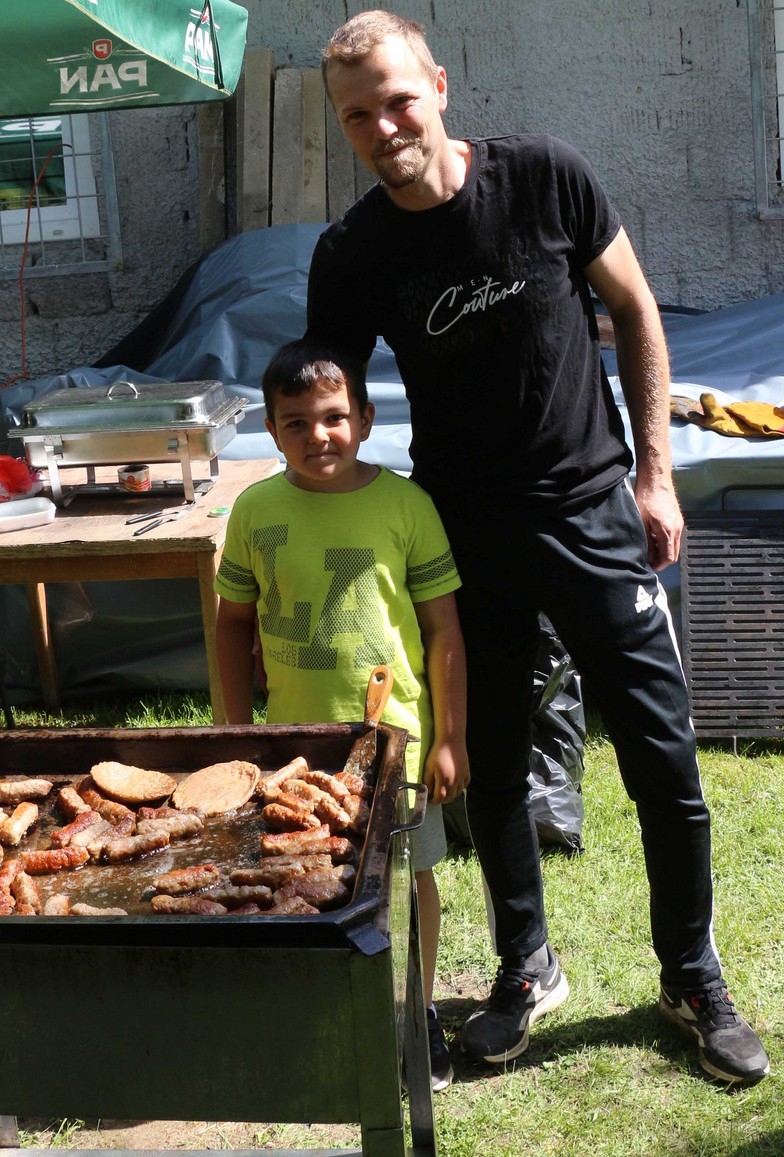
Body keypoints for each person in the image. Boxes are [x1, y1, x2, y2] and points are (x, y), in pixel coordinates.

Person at [306, 10, 769, 1086]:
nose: (383, 126)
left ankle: (691, 975)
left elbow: (638, 312)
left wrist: (654, 473)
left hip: (594, 511)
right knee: (497, 772)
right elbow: (325, 404)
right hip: (465, 533)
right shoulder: (354, 253)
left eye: (397, 99)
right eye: (357, 116)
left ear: (441, 84)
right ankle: (526, 968)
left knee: (664, 760)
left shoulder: (547, 178)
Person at [215, 337, 470, 1091]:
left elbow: (443, 630)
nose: (316, 436)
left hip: (397, 743)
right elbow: (232, 625)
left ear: (362, 416)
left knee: (407, 878)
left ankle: (414, 1012)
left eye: (332, 417)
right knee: (300, 875)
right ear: (269, 430)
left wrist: (450, 737)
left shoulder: (407, 506)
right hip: (296, 750)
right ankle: (317, 1005)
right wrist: (234, 735)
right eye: (294, 423)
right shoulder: (255, 511)